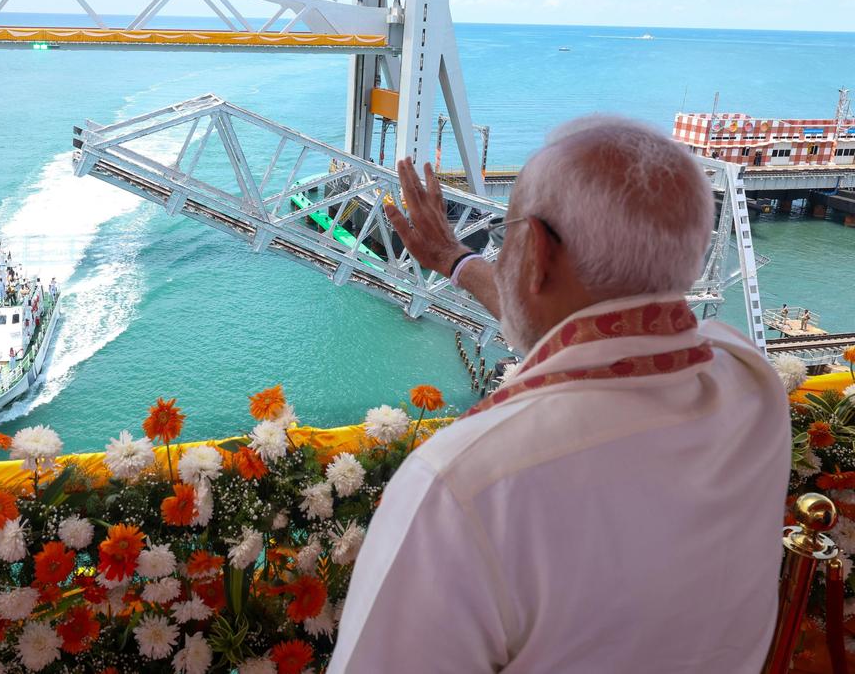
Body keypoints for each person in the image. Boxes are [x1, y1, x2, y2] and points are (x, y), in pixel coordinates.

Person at [330, 117, 789, 673]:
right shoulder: (751, 386)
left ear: (538, 253)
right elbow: (585, 331)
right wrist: (456, 260)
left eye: (507, 235)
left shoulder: (465, 488)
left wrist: (460, 258)